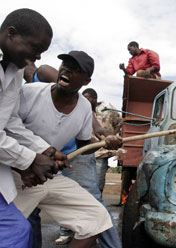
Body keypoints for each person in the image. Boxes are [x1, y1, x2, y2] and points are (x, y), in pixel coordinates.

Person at [12, 50, 120, 248]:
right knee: (14, 230)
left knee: (97, 219)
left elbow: (83, 147)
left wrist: (104, 143)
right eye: (66, 64)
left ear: (86, 81)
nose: (67, 69)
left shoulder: (84, 109)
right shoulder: (30, 93)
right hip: (18, 175)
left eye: (76, 69)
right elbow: (7, 130)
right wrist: (27, 163)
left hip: (50, 176)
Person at [0, 8, 69, 248]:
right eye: (35, 48)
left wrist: (44, 149)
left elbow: (9, 123)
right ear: (11, 34)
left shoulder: (15, 72)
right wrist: (29, 159)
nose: (37, 58)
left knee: (19, 232)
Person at [55, 88, 122, 247]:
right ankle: (67, 231)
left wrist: (109, 136)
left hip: (81, 156)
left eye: (88, 98)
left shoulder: (88, 109)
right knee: (63, 198)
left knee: (93, 199)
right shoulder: (39, 94)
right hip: (46, 156)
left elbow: (100, 131)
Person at [82, 88, 122, 195]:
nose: (84, 101)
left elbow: (119, 123)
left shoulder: (108, 109)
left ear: (94, 99)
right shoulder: (81, 110)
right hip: (85, 151)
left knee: (97, 184)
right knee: (83, 182)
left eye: (87, 98)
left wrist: (112, 136)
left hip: (101, 152)